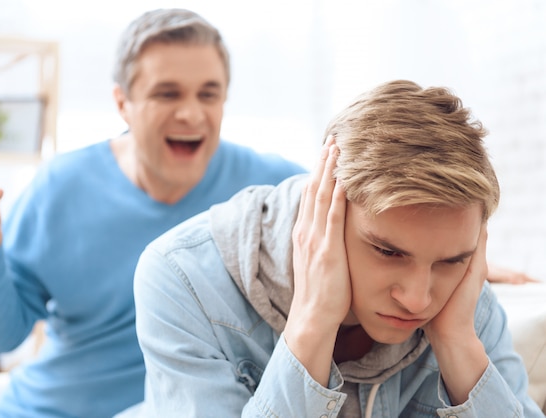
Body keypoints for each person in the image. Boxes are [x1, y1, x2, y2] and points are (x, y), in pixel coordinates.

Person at [0, 8, 307, 418]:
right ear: (123, 102)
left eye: (208, 93)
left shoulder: (273, 193)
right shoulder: (60, 189)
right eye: (167, 93)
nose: (191, 113)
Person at [132, 80, 544, 417]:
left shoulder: (464, 302)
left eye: (451, 260)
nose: (418, 298)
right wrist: (311, 324)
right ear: (326, 210)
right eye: (388, 252)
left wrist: (457, 343)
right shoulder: (180, 277)